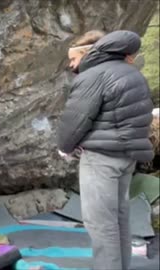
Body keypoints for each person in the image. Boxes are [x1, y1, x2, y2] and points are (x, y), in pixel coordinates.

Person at [57, 30, 154, 270]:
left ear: (87, 53)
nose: (71, 64)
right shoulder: (132, 73)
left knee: (100, 224)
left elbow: (75, 120)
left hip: (101, 159)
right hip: (126, 158)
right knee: (119, 219)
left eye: (73, 58)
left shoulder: (94, 76)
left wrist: (64, 147)